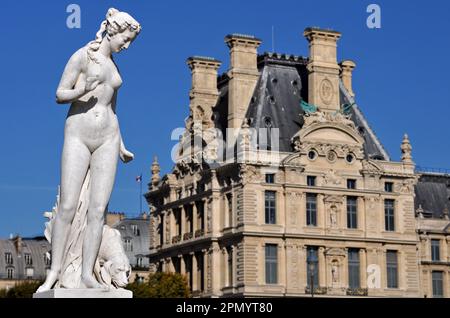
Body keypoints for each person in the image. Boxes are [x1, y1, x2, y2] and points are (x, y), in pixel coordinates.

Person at [37, 8, 141, 292]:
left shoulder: (115, 67)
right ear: (112, 30)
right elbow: (60, 93)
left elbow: (112, 108)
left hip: (108, 136)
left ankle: (86, 273)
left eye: (130, 41)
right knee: (68, 206)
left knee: (98, 210)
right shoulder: (82, 56)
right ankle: (55, 272)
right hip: (78, 134)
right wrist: (82, 90)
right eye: (125, 38)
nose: (126, 45)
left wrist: (121, 144)